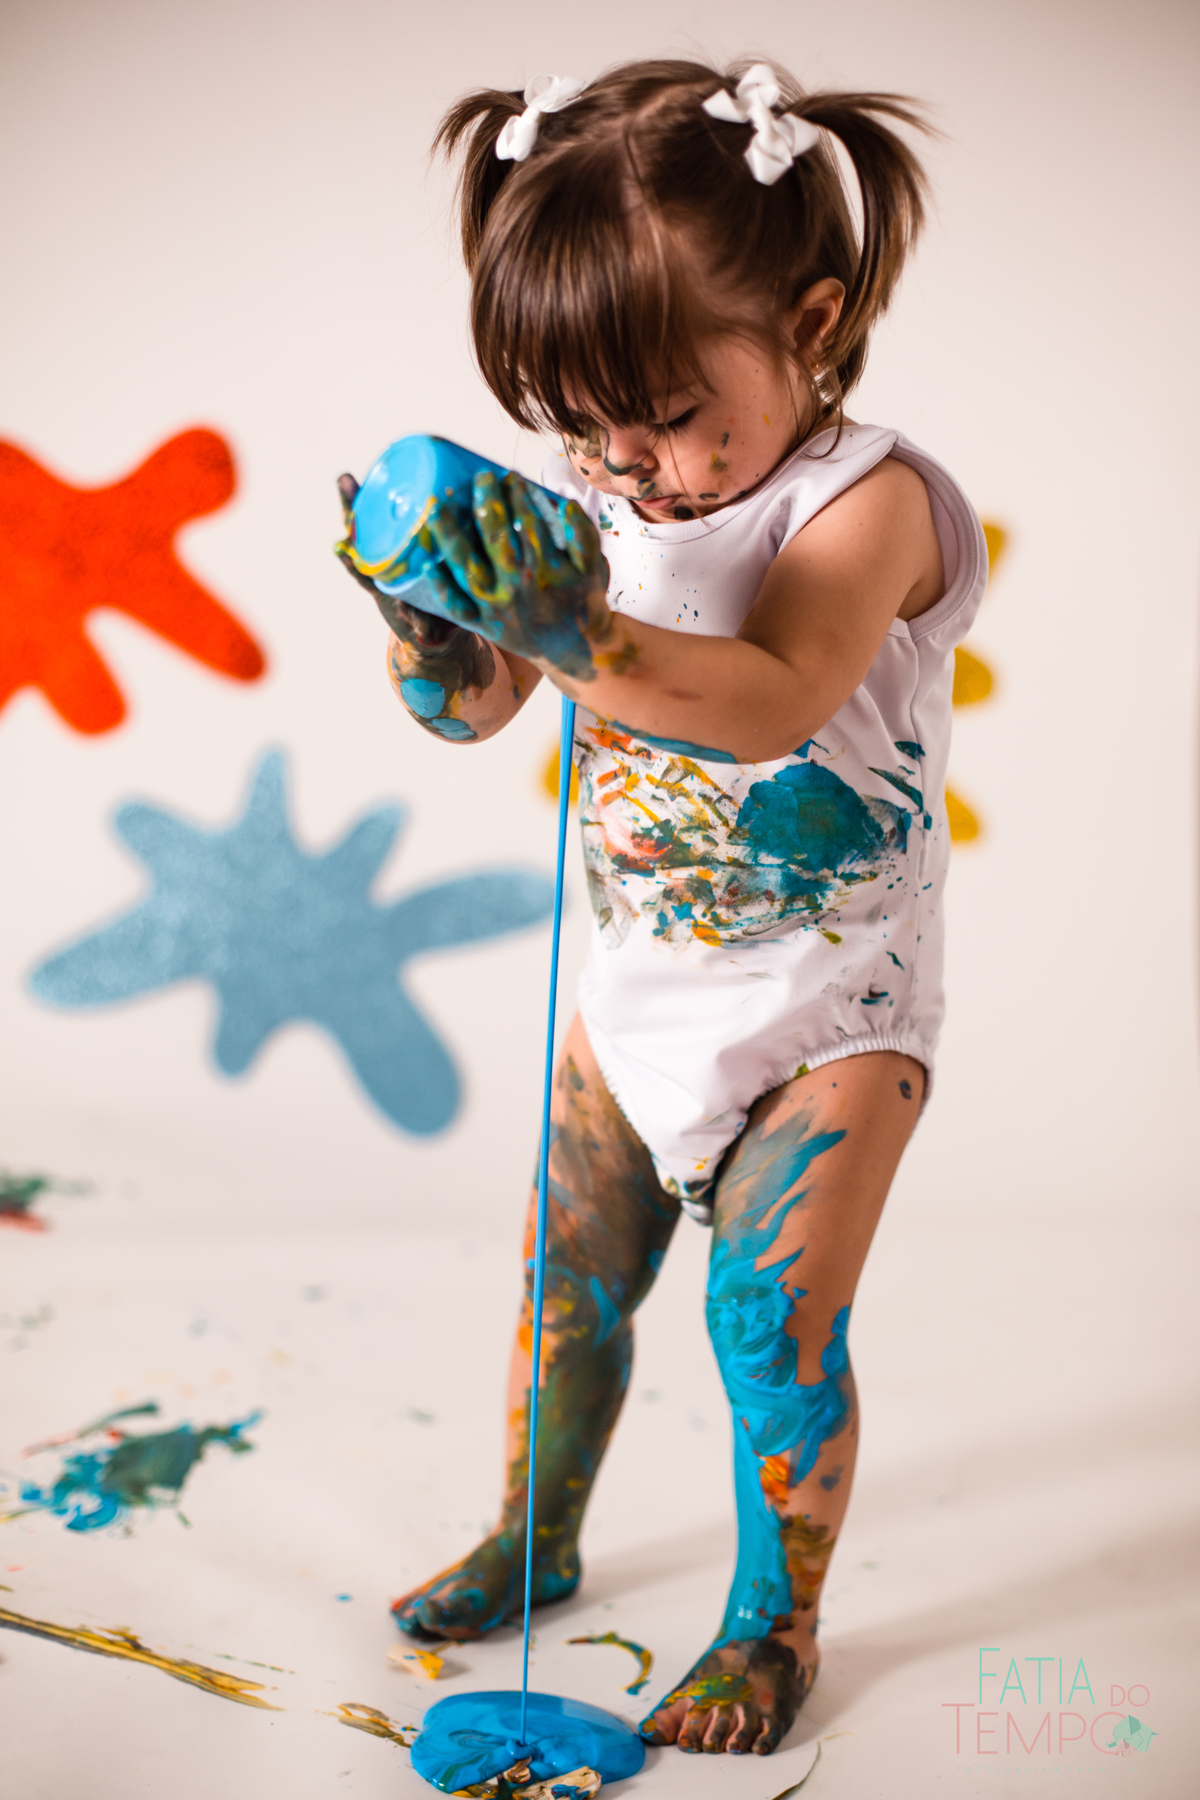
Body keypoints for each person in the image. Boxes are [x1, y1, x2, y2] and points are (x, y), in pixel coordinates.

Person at [337, 58, 987, 1758]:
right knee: (568, 1283)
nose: (635, 468)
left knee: (765, 1320)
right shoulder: (614, 501)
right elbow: (471, 717)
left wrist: (567, 624)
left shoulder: (870, 504)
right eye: (582, 426)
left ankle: (774, 1627)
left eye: (672, 415)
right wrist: (429, 621)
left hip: (832, 1011)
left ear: (815, 318)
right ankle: (533, 1533)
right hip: (635, 996)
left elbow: (770, 693)